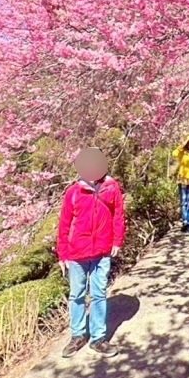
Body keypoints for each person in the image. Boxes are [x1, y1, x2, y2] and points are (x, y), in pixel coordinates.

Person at [57, 147, 125, 358]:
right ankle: (77, 335)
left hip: (102, 252)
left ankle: (98, 338)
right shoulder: (73, 192)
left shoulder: (111, 188)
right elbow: (64, 224)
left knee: (98, 294)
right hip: (77, 253)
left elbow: (118, 215)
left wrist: (117, 240)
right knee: (76, 295)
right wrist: (62, 254)